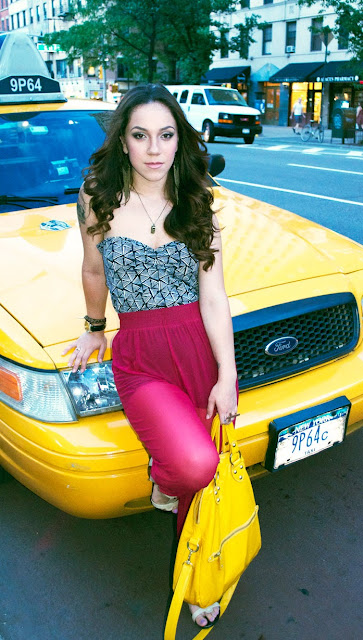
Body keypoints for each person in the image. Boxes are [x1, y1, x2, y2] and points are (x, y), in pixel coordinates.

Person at [62, 84, 239, 630]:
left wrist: (227, 375)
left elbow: (214, 296)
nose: (154, 149)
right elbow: (94, 269)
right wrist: (95, 328)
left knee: (201, 482)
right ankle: (165, 478)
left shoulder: (197, 200)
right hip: (141, 357)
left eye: (166, 135)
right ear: (124, 143)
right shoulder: (97, 198)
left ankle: (197, 582)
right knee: (191, 465)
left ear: (180, 140)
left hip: (200, 351)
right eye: (141, 136)